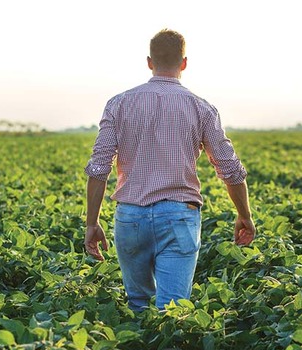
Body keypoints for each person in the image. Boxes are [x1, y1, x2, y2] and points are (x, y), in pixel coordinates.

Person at [84, 29, 255, 311]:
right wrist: (244, 215)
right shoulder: (201, 108)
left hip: (130, 216)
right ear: (184, 63)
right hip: (180, 216)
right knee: (174, 309)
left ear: (150, 62)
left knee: (138, 304)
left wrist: (92, 223)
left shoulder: (119, 103)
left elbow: (99, 168)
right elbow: (231, 170)